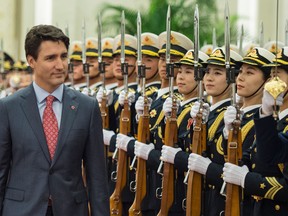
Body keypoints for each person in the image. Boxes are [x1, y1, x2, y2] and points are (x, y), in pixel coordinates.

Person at [0, 24, 109, 216]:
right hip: (21, 209)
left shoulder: (87, 107)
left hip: (71, 210)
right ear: (31, 60)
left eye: (63, 56)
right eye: (51, 58)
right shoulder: (9, 108)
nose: (60, 65)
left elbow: (97, 176)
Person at [189, 47, 274, 216]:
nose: (240, 77)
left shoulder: (262, 122)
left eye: (250, 73)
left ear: (268, 80)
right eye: (240, 71)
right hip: (212, 202)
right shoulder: (235, 115)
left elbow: (240, 166)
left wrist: (208, 168)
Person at [223, 46, 288, 215]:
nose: (272, 83)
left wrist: (247, 179)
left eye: (277, 75)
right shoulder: (273, 121)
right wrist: (229, 134)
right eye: (271, 76)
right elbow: (263, 157)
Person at [186, 47, 243, 216]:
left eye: (218, 73)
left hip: (220, 201)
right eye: (207, 72)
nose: (209, 78)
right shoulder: (208, 111)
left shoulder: (231, 114)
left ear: (232, 78)